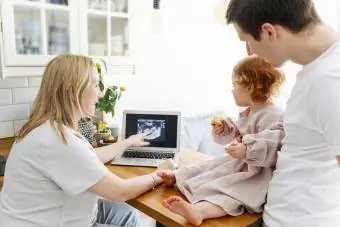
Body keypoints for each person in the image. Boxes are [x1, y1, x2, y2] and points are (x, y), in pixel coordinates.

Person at [0, 54, 164, 227]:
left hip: (37, 215)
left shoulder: (45, 128)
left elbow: (87, 156)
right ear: (72, 92)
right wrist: (160, 175)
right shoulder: (59, 142)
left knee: (126, 212)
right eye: (95, 84)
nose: (100, 94)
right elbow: (122, 191)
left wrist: (126, 142)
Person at [226, 0, 340, 226]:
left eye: (247, 41)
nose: (249, 52)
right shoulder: (316, 70)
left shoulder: (330, 80)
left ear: (269, 31)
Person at [157, 56, 285, 226]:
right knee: (208, 168)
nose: (232, 90)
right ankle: (178, 176)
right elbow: (240, 133)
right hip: (239, 163)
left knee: (233, 193)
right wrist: (227, 130)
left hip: (256, 174)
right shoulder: (249, 111)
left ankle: (199, 211)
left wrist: (247, 151)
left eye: (235, 85)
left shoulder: (274, 114)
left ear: (250, 87)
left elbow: (273, 145)